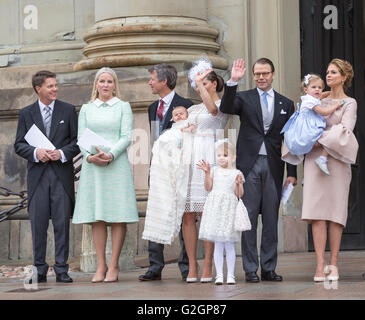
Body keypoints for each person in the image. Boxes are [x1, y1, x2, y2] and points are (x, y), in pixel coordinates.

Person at [220, 58, 297, 283]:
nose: (261, 77)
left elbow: (289, 140)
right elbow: (225, 107)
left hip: (274, 165)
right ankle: (251, 269)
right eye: (257, 74)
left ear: (273, 74)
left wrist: (291, 172)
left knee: (271, 220)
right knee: (249, 218)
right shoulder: (244, 97)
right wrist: (233, 81)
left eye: (265, 73)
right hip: (249, 164)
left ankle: (269, 268)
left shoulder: (286, 103)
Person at [72, 67, 139, 283]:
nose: (105, 85)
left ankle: (114, 265)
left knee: (118, 215)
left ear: (114, 84)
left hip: (116, 165)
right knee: (97, 216)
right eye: (102, 81)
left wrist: (110, 154)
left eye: (110, 81)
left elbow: (126, 136)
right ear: (96, 84)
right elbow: (81, 137)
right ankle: (100, 265)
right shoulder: (86, 109)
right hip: (93, 167)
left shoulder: (123, 107)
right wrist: (90, 157)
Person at [14, 70, 80, 283]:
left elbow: (77, 142)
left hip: (61, 176)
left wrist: (61, 153)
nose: (55, 89)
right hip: (38, 177)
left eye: (55, 85)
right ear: (38, 89)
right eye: (50, 86)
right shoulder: (26, 113)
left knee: (62, 224)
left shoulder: (68, 110)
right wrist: (36, 153)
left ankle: (61, 269)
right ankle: (39, 269)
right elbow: (19, 144)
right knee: (38, 224)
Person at [301, 59, 358, 282]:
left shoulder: (350, 103)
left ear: (344, 77)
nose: (328, 75)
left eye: (334, 72)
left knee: (335, 214)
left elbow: (345, 130)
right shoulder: (316, 96)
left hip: (336, 160)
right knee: (317, 214)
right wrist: (307, 141)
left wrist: (316, 141)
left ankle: (333, 264)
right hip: (314, 160)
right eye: (327, 72)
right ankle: (319, 265)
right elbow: (303, 121)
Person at [139, 64, 193, 282]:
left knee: (183, 213)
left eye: (152, 79)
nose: (149, 82)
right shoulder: (153, 107)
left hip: (179, 168)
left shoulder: (187, 105)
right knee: (155, 211)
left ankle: (186, 266)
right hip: (158, 168)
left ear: (164, 81)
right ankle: (155, 265)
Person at [183, 59, 228, 283]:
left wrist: (199, 82)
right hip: (190, 157)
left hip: (210, 155)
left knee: (207, 212)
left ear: (214, 83)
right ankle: (193, 264)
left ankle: (209, 261)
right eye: (200, 83)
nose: (202, 85)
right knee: (188, 213)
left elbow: (211, 110)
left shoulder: (222, 105)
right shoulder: (192, 108)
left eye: (206, 82)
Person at [142, 106, 194, 245]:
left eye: (181, 114)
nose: (178, 116)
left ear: (187, 115)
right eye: (175, 115)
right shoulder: (170, 132)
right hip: (168, 168)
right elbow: (162, 146)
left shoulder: (192, 126)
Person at [197, 140, 247, 285]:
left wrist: (238, 184)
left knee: (229, 244)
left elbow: (239, 194)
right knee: (218, 243)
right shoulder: (214, 171)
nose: (221, 158)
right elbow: (208, 187)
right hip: (215, 208)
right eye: (218, 155)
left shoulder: (237, 173)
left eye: (225, 155)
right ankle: (219, 275)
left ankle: (230, 275)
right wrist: (207, 174)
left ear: (233, 157)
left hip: (228, 209)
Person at [281, 74, 344, 175]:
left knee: (326, 138)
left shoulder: (313, 97)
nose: (317, 90)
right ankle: (322, 158)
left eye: (320, 87)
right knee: (327, 137)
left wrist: (333, 92)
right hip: (307, 127)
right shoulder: (309, 100)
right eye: (314, 87)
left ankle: (322, 157)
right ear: (305, 90)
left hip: (310, 123)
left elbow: (322, 95)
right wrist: (336, 105)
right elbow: (324, 112)